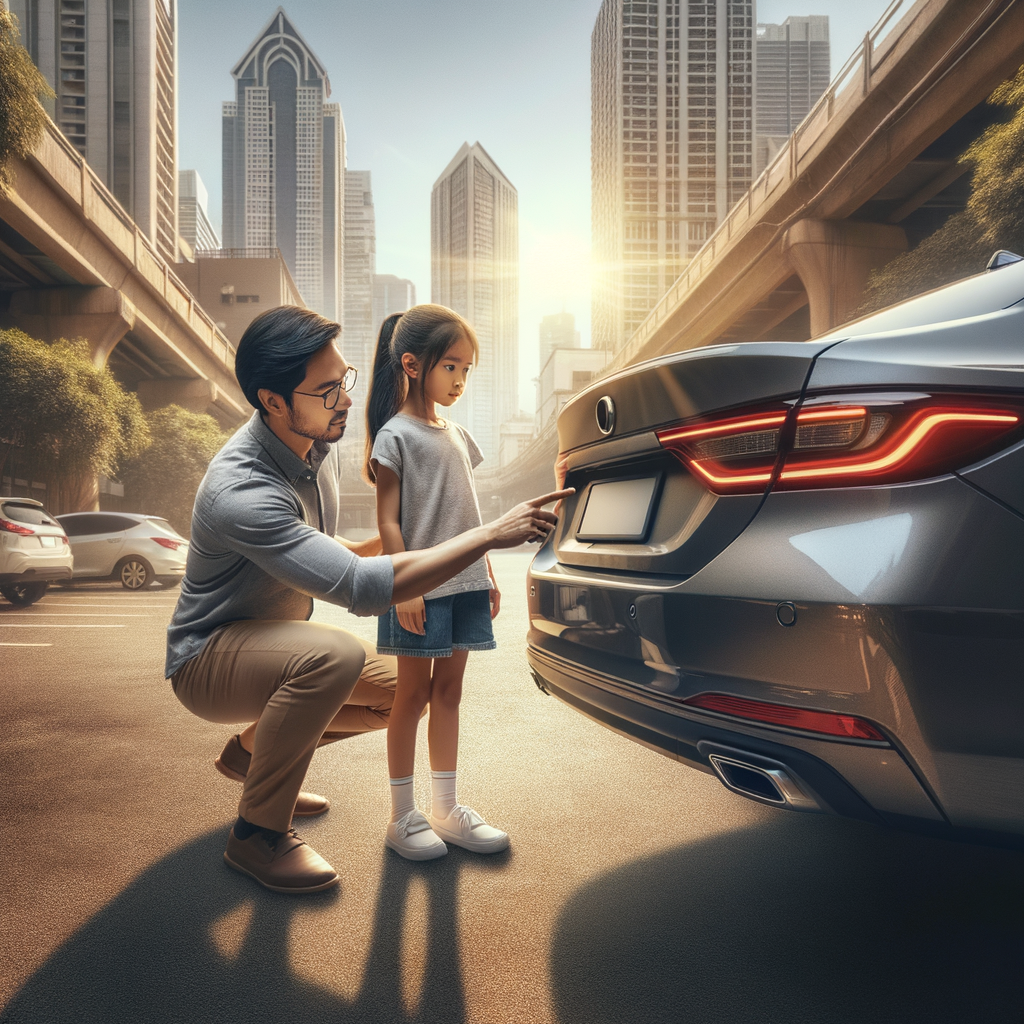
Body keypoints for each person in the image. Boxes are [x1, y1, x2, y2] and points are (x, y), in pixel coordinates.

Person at [164, 305, 570, 894]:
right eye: (327, 391)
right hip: (209, 658)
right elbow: (357, 584)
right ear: (273, 400)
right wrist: (489, 533)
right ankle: (257, 836)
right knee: (334, 658)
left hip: (269, 642)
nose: (346, 401)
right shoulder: (242, 489)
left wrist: (437, 529)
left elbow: (329, 548)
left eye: (345, 380)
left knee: (395, 695)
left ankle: (254, 757)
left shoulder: (309, 448)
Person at [365, 305, 506, 861]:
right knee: (412, 696)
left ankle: (446, 810)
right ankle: (403, 817)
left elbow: (466, 513)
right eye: (452, 367)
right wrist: (405, 588)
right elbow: (387, 523)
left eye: (468, 370)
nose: (461, 381)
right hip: (416, 585)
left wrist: (488, 570)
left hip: (465, 580)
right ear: (412, 364)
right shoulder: (393, 436)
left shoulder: (458, 435)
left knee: (450, 693)